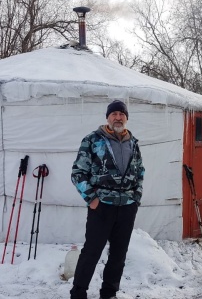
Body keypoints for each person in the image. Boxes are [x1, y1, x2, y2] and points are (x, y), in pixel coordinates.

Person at [70, 100, 145, 299]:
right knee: (91, 252)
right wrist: (92, 199)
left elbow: (140, 173)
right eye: (114, 114)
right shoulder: (93, 140)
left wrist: (136, 198)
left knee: (119, 254)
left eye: (122, 114)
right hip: (101, 206)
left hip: (127, 207)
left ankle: (109, 292)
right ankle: (78, 292)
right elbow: (78, 173)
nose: (118, 118)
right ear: (107, 117)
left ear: (126, 118)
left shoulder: (133, 142)